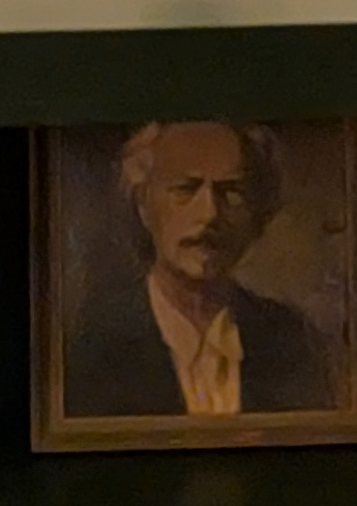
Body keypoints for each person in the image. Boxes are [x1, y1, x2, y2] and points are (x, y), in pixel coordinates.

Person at [59, 119, 333, 418]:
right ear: (143, 205)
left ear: (256, 212)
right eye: (185, 189)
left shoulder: (290, 340)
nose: (210, 214)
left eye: (231, 191)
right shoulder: (96, 342)